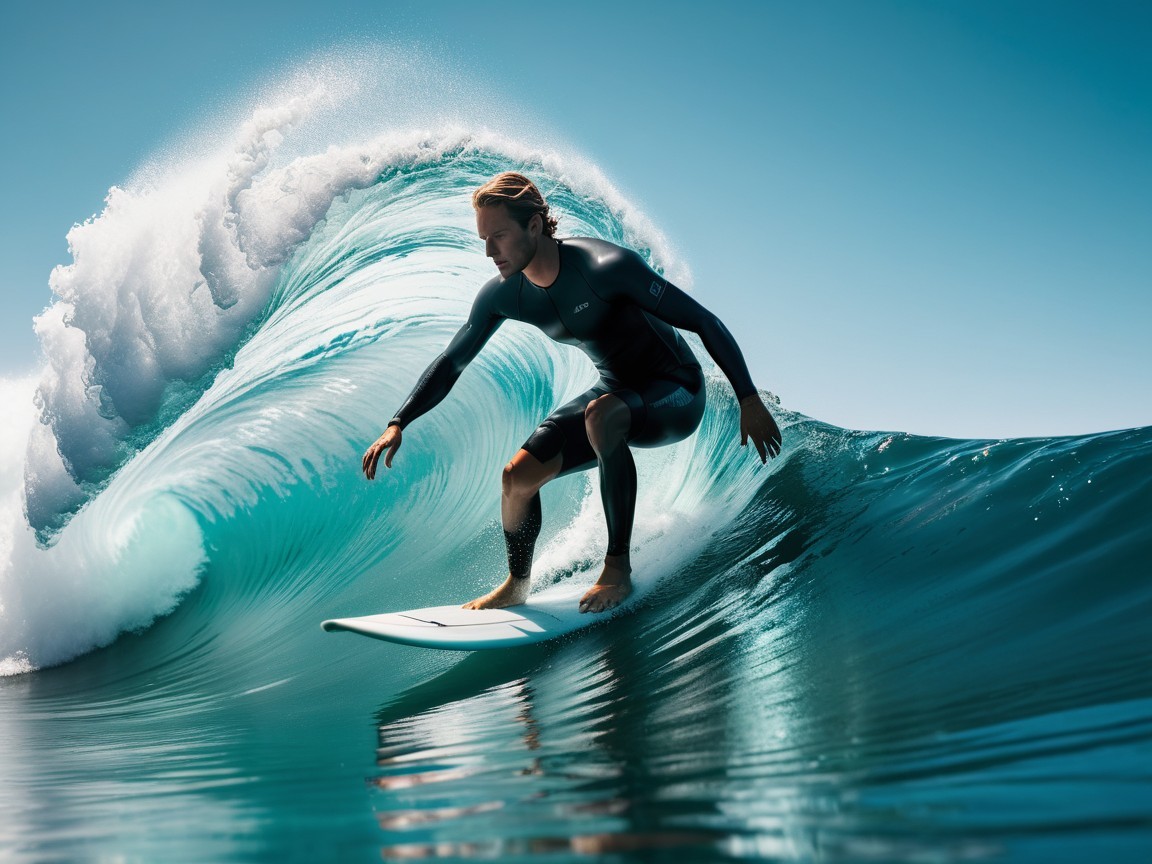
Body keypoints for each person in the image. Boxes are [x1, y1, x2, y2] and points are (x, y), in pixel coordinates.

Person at [362, 172, 782, 613]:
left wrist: (748, 399)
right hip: (615, 391)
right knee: (516, 478)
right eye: (484, 239)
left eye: (498, 237)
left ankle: (617, 568)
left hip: (676, 389)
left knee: (602, 415)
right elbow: (452, 361)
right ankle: (516, 585)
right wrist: (398, 422)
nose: (489, 252)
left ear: (535, 227)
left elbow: (703, 320)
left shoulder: (605, 267)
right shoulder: (506, 294)